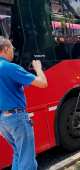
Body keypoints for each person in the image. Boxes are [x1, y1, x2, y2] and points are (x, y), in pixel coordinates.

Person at [0, 37, 48, 169]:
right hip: (17, 118)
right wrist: (38, 68)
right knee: (27, 161)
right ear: (5, 49)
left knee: (18, 153)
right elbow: (43, 83)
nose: (13, 51)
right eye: (12, 48)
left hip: (3, 121)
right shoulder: (9, 67)